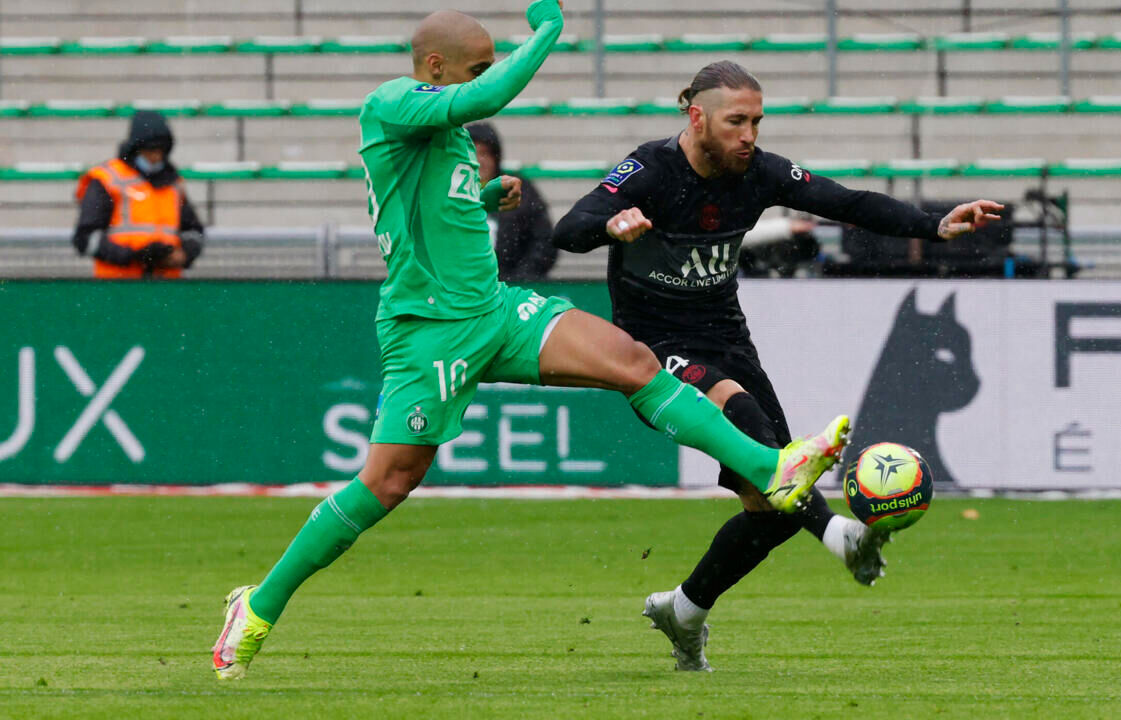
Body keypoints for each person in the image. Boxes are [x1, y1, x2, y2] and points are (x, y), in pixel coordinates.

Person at [211, 3, 851, 681]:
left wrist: (480, 200)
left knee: (634, 362)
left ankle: (769, 468)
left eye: (486, 67)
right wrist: (546, 33)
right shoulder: (392, 102)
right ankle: (259, 603)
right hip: (429, 331)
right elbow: (489, 95)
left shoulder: (442, 133)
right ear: (435, 68)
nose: (481, 81)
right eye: (472, 68)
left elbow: (417, 206)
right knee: (390, 480)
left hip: (493, 309)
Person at [552, 60, 1003, 671]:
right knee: (759, 439)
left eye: (756, 121)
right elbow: (567, 229)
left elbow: (845, 201)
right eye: (736, 121)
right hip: (653, 349)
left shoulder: (758, 173)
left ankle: (684, 610)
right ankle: (839, 536)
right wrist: (612, 223)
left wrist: (933, 224)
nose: (749, 134)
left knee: (774, 507)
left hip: (727, 340)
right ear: (696, 116)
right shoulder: (651, 169)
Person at [72, 110, 204, 278]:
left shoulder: (173, 183)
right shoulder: (107, 179)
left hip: (167, 287)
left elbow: (193, 230)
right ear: (136, 149)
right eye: (149, 150)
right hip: (117, 285)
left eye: (160, 150)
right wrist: (135, 256)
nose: (155, 157)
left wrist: (184, 253)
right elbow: (86, 238)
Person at [467, 122, 559, 280]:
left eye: (484, 153)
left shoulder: (519, 190)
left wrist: (519, 278)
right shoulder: (444, 193)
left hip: (512, 289)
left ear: (496, 157)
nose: (479, 161)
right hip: (460, 288)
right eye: (472, 153)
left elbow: (544, 242)